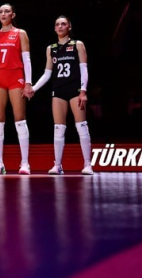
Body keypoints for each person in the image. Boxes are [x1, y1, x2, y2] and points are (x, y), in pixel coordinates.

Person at [32, 15, 93, 175]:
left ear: (69, 27)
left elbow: (84, 69)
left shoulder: (77, 44)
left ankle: (87, 164)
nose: (60, 26)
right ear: (54, 28)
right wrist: (34, 88)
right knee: (58, 128)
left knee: (81, 126)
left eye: (63, 24)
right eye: (57, 24)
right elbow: (47, 73)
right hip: (58, 90)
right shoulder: (51, 48)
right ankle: (58, 165)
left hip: (75, 90)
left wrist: (83, 91)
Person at [0, 3, 34, 175]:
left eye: (7, 11)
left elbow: (27, 59)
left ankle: (25, 163)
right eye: (0, 12)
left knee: (20, 119)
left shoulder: (20, 33)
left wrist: (28, 82)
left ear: (13, 14)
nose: (3, 14)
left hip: (16, 77)